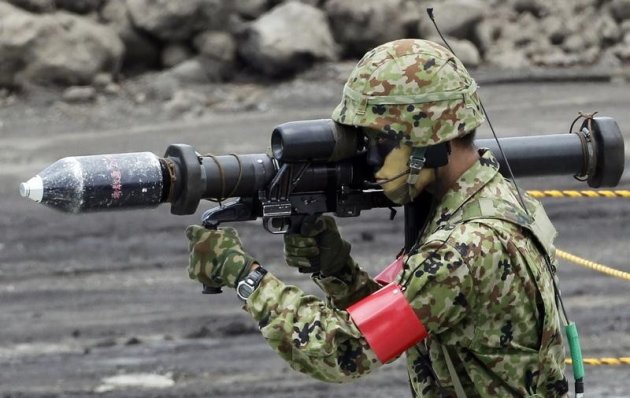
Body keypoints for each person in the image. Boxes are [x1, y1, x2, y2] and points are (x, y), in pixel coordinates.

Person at [185, 39, 569, 397]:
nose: (371, 163)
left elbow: (342, 350)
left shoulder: (462, 251)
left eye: (381, 144)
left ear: (430, 139)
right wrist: (337, 269)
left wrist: (243, 276)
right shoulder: (494, 201)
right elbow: (404, 314)